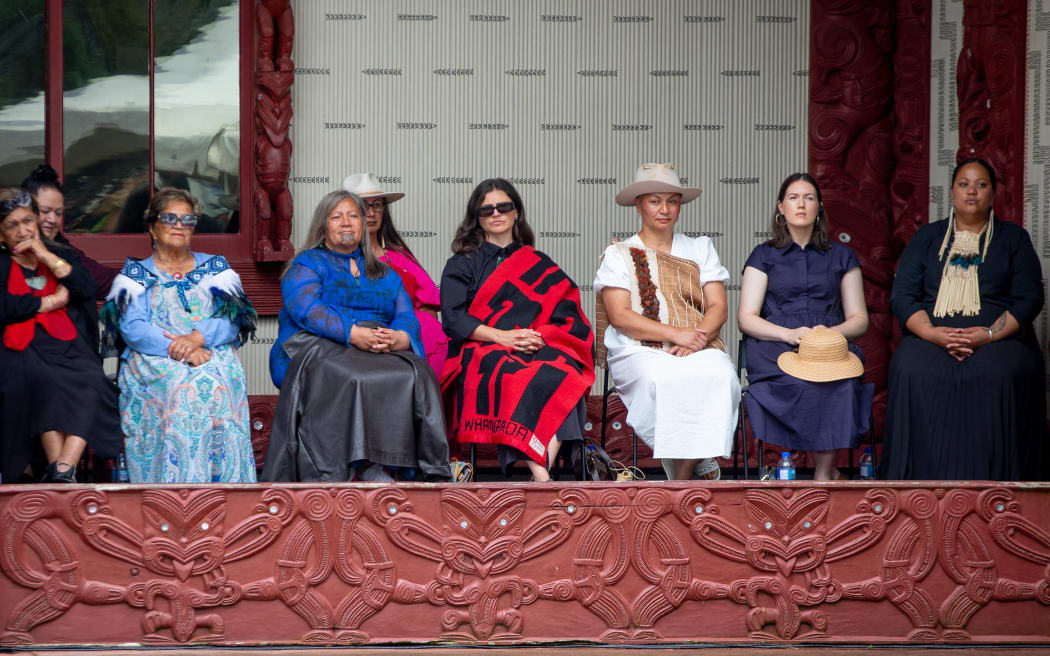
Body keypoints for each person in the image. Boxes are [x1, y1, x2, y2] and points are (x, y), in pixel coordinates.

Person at [263, 190, 449, 483]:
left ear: (364, 225)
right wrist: (351, 334)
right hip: (318, 343)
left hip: (375, 344)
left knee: (415, 373)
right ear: (323, 225)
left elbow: (405, 315)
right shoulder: (307, 264)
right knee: (351, 374)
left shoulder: (385, 273)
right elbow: (306, 309)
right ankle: (344, 468)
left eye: (353, 216)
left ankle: (392, 465)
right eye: (336, 217)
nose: (346, 223)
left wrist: (400, 339)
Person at [883, 158, 1046, 480]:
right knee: (910, 366)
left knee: (1001, 371)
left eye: (981, 184)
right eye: (964, 184)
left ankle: (1002, 486)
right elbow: (903, 296)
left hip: (998, 338)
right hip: (932, 335)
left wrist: (987, 335)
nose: (972, 191)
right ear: (953, 192)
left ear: (993, 193)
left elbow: (1029, 299)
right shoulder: (928, 237)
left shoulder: (1013, 238)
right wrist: (932, 335)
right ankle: (915, 485)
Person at [440, 178, 594, 482]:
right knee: (511, 374)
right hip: (481, 349)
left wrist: (537, 338)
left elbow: (569, 316)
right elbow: (453, 319)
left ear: (516, 212)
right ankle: (541, 471)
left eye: (503, 207)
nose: (496, 214)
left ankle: (541, 466)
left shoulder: (540, 263)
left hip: (535, 345)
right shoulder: (461, 264)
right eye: (487, 210)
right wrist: (505, 338)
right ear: (477, 218)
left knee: (566, 373)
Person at [594, 163, 739, 481]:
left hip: (698, 342)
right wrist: (677, 335)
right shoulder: (620, 253)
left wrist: (696, 337)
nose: (664, 209)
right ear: (639, 204)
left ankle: (682, 477)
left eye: (672, 201)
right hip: (638, 347)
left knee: (722, 377)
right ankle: (692, 468)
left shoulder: (700, 248)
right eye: (655, 201)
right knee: (665, 379)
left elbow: (718, 306)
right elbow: (620, 316)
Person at [102, 187, 257, 483]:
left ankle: (225, 487)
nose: (178, 225)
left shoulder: (216, 268)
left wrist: (198, 338)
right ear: (152, 226)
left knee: (221, 382)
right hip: (156, 358)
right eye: (169, 217)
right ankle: (173, 490)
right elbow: (134, 329)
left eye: (187, 220)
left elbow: (233, 318)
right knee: (179, 388)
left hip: (210, 350)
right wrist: (182, 348)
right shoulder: (134, 275)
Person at [737, 173, 873, 480]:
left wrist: (826, 336)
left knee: (841, 382)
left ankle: (824, 473)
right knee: (796, 382)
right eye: (794, 198)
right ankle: (786, 467)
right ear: (780, 208)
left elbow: (859, 319)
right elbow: (746, 317)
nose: (801, 204)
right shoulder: (763, 255)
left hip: (829, 344)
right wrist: (789, 335)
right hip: (776, 342)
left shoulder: (841, 255)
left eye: (809, 198)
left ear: (819, 208)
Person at [0, 188, 121, 483]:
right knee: (40, 379)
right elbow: (4, 306)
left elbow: (85, 287)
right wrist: (48, 303)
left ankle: (62, 470)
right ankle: (62, 474)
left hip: (66, 345)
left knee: (93, 379)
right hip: (21, 346)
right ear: (1, 235)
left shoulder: (60, 254)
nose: (23, 230)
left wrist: (44, 254)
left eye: (27, 221)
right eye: (12, 225)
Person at [342, 173, 448, 376]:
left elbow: (430, 310)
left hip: (407, 341)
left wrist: (402, 333)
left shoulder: (399, 256)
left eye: (377, 205)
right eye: (364, 206)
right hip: (360, 340)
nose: (371, 213)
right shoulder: (335, 260)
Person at [22, 164, 118, 352]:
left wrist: (151, 270)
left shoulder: (67, 253)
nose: (52, 219)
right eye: (45, 211)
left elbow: (103, 283)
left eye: (58, 213)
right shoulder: (7, 254)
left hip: (72, 354)